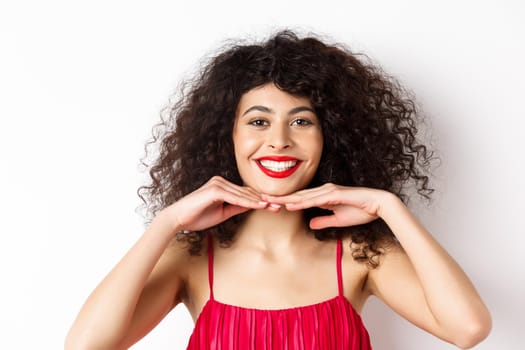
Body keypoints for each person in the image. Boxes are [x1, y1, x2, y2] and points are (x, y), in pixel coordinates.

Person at [65, 30, 491, 349]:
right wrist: (167, 222)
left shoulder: (361, 253)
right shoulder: (192, 256)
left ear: (331, 138)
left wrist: (390, 207)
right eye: (258, 121)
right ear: (225, 137)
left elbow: (468, 329)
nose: (279, 140)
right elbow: (87, 346)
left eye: (302, 121)